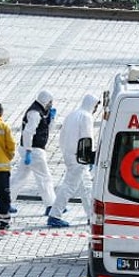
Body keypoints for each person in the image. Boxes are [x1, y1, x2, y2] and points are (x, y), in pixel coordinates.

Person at [47, 94, 100, 227]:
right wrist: (90, 156)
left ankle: (91, 215)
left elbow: (62, 136)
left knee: (86, 187)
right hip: (79, 157)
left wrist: (66, 152)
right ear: (92, 105)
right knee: (69, 186)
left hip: (70, 155)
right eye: (96, 106)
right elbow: (87, 138)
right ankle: (55, 214)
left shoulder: (72, 115)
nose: (95, 109)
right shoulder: (86, 117)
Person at [9, 90, 58, 215]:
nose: (50, 105)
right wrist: (28, 150)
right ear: (45, 101)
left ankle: (6, 200)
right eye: (50, 102)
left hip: (33, 149)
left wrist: (52, 119)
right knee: (44, 178)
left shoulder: (41, 112)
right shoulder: (35, 113)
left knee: (20, 177)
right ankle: (51, 205)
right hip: (34, 150)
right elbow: (28, 133)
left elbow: (47, 130)